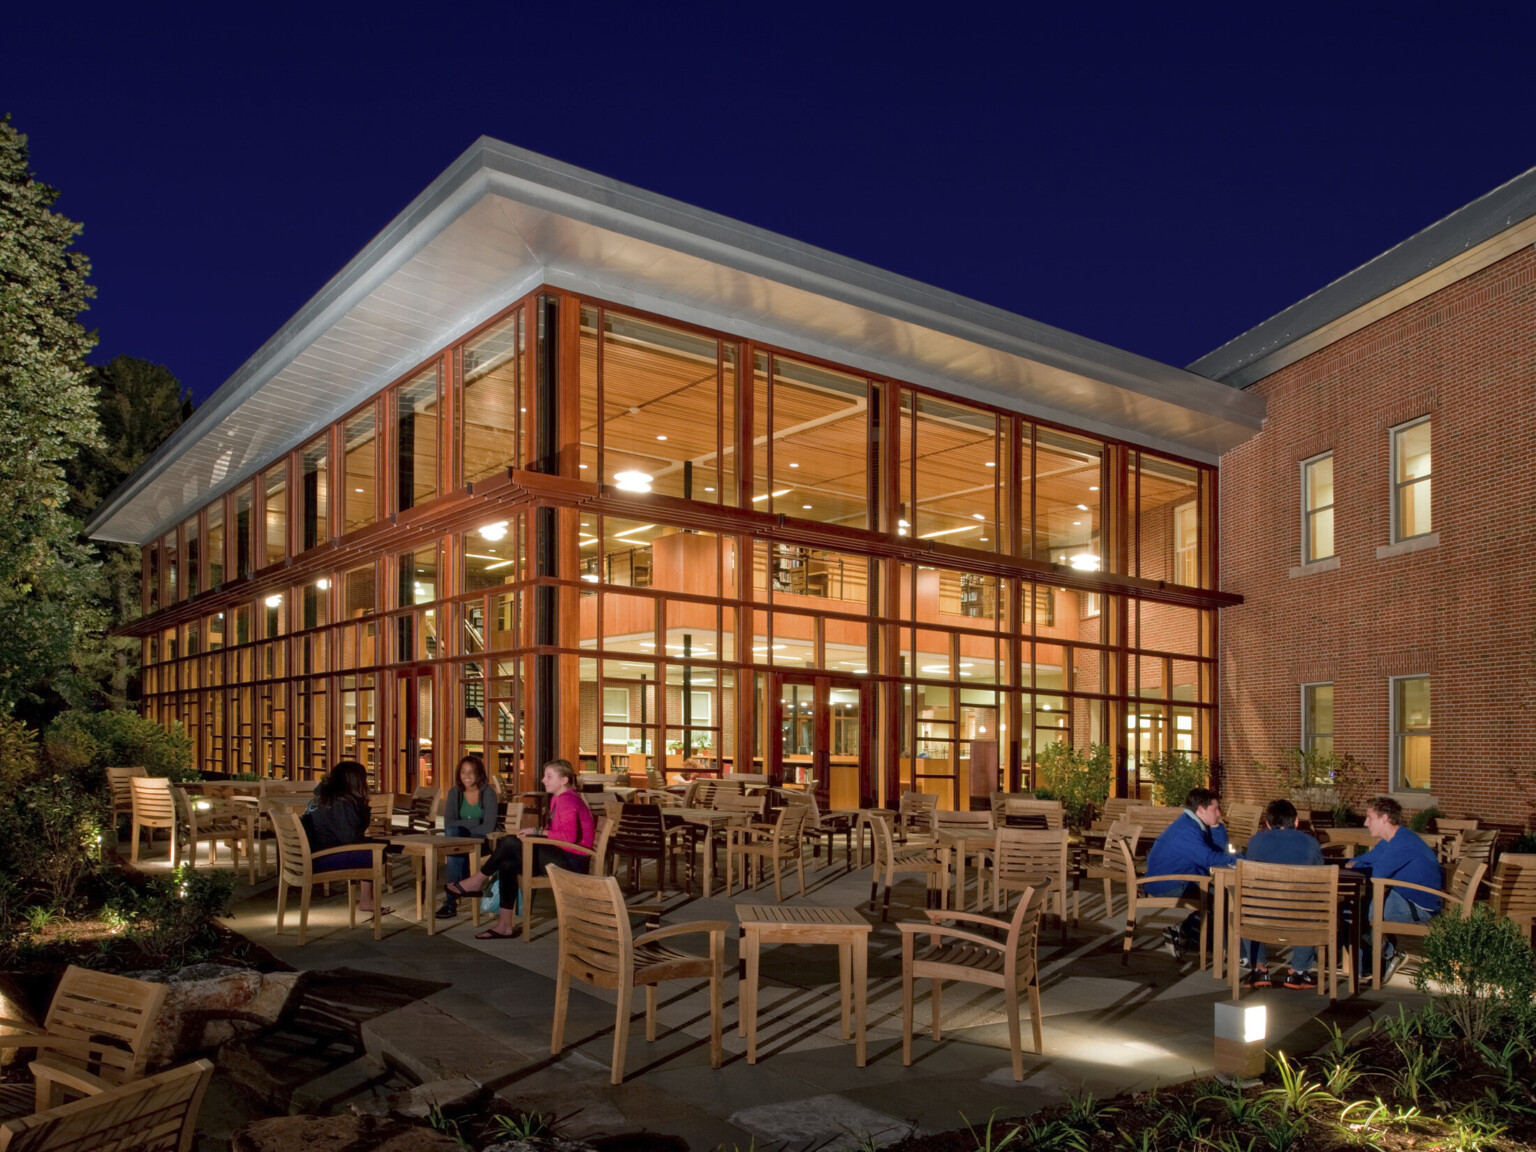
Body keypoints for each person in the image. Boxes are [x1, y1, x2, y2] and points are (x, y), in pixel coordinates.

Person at [446, 758, 595, 939]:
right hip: (562, 853)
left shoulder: (568, 800)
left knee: (509, 842)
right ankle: (505, 925)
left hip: (572, 861)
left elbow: (569, 837)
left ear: (563, 780)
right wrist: (536, 834)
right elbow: (558, 832)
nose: (543, 780)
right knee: (507, 863)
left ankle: (477, 880)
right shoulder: (559, 798)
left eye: (549, 776)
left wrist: (537, 831)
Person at [1346, 796, 1442, 984]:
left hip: (1418, 906)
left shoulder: (1403, 842)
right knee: (1349, 910)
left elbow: (1378, 873)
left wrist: (1355, 866)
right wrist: (1355, 863)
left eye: (1369, 817)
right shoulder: (1392, 840)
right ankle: (1369, 965)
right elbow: (1368, 859)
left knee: (1356, 914)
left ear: (1384, 818)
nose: (1365, 823)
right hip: (1405, 895)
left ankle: (1389, 955)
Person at [1241, 799, 1327, 989]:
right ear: (1296, 821)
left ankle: (1259, 969)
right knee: (1313, 907)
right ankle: (1298, 972)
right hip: (1299, 916)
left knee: (1245, 907)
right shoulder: (1311, 843)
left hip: (1262, 917)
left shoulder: (1255, 841)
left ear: (1268, 824)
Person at [1143, 786, 1234, 959]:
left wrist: (1216, 826)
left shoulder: (1192, 824)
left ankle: (1187, 934)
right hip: (1168, 883)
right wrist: (1240, 860)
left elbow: (1218, 851)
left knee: (1220, 896)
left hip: (1178, 878)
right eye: (1215, 809)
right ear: (1201, 809)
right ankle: (1223, 948)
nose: (1219, 813)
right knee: (1222, 897)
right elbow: (1210, 859)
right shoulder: (1188, 830)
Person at [303, 760, 390, 916]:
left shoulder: (320, 798)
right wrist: (363, 808)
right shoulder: (342, 803)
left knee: (373, 847)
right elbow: (351, 838)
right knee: (374, 852)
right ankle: (367, 900)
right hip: (322, 857)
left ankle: (366, 900)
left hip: (311, 853)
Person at [436, 754, 500, 918]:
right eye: (463, 772)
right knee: (452, 836)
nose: (467, 776)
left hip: (483, 843)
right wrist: (475, 821)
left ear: (479, 773)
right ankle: (461, 886)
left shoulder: (488, 793)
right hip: (459, 841)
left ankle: (450, 902)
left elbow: (488, 826)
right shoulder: (454, 793)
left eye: (471, 772)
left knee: (454, 844)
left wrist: (463, 825)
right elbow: (448, 824)